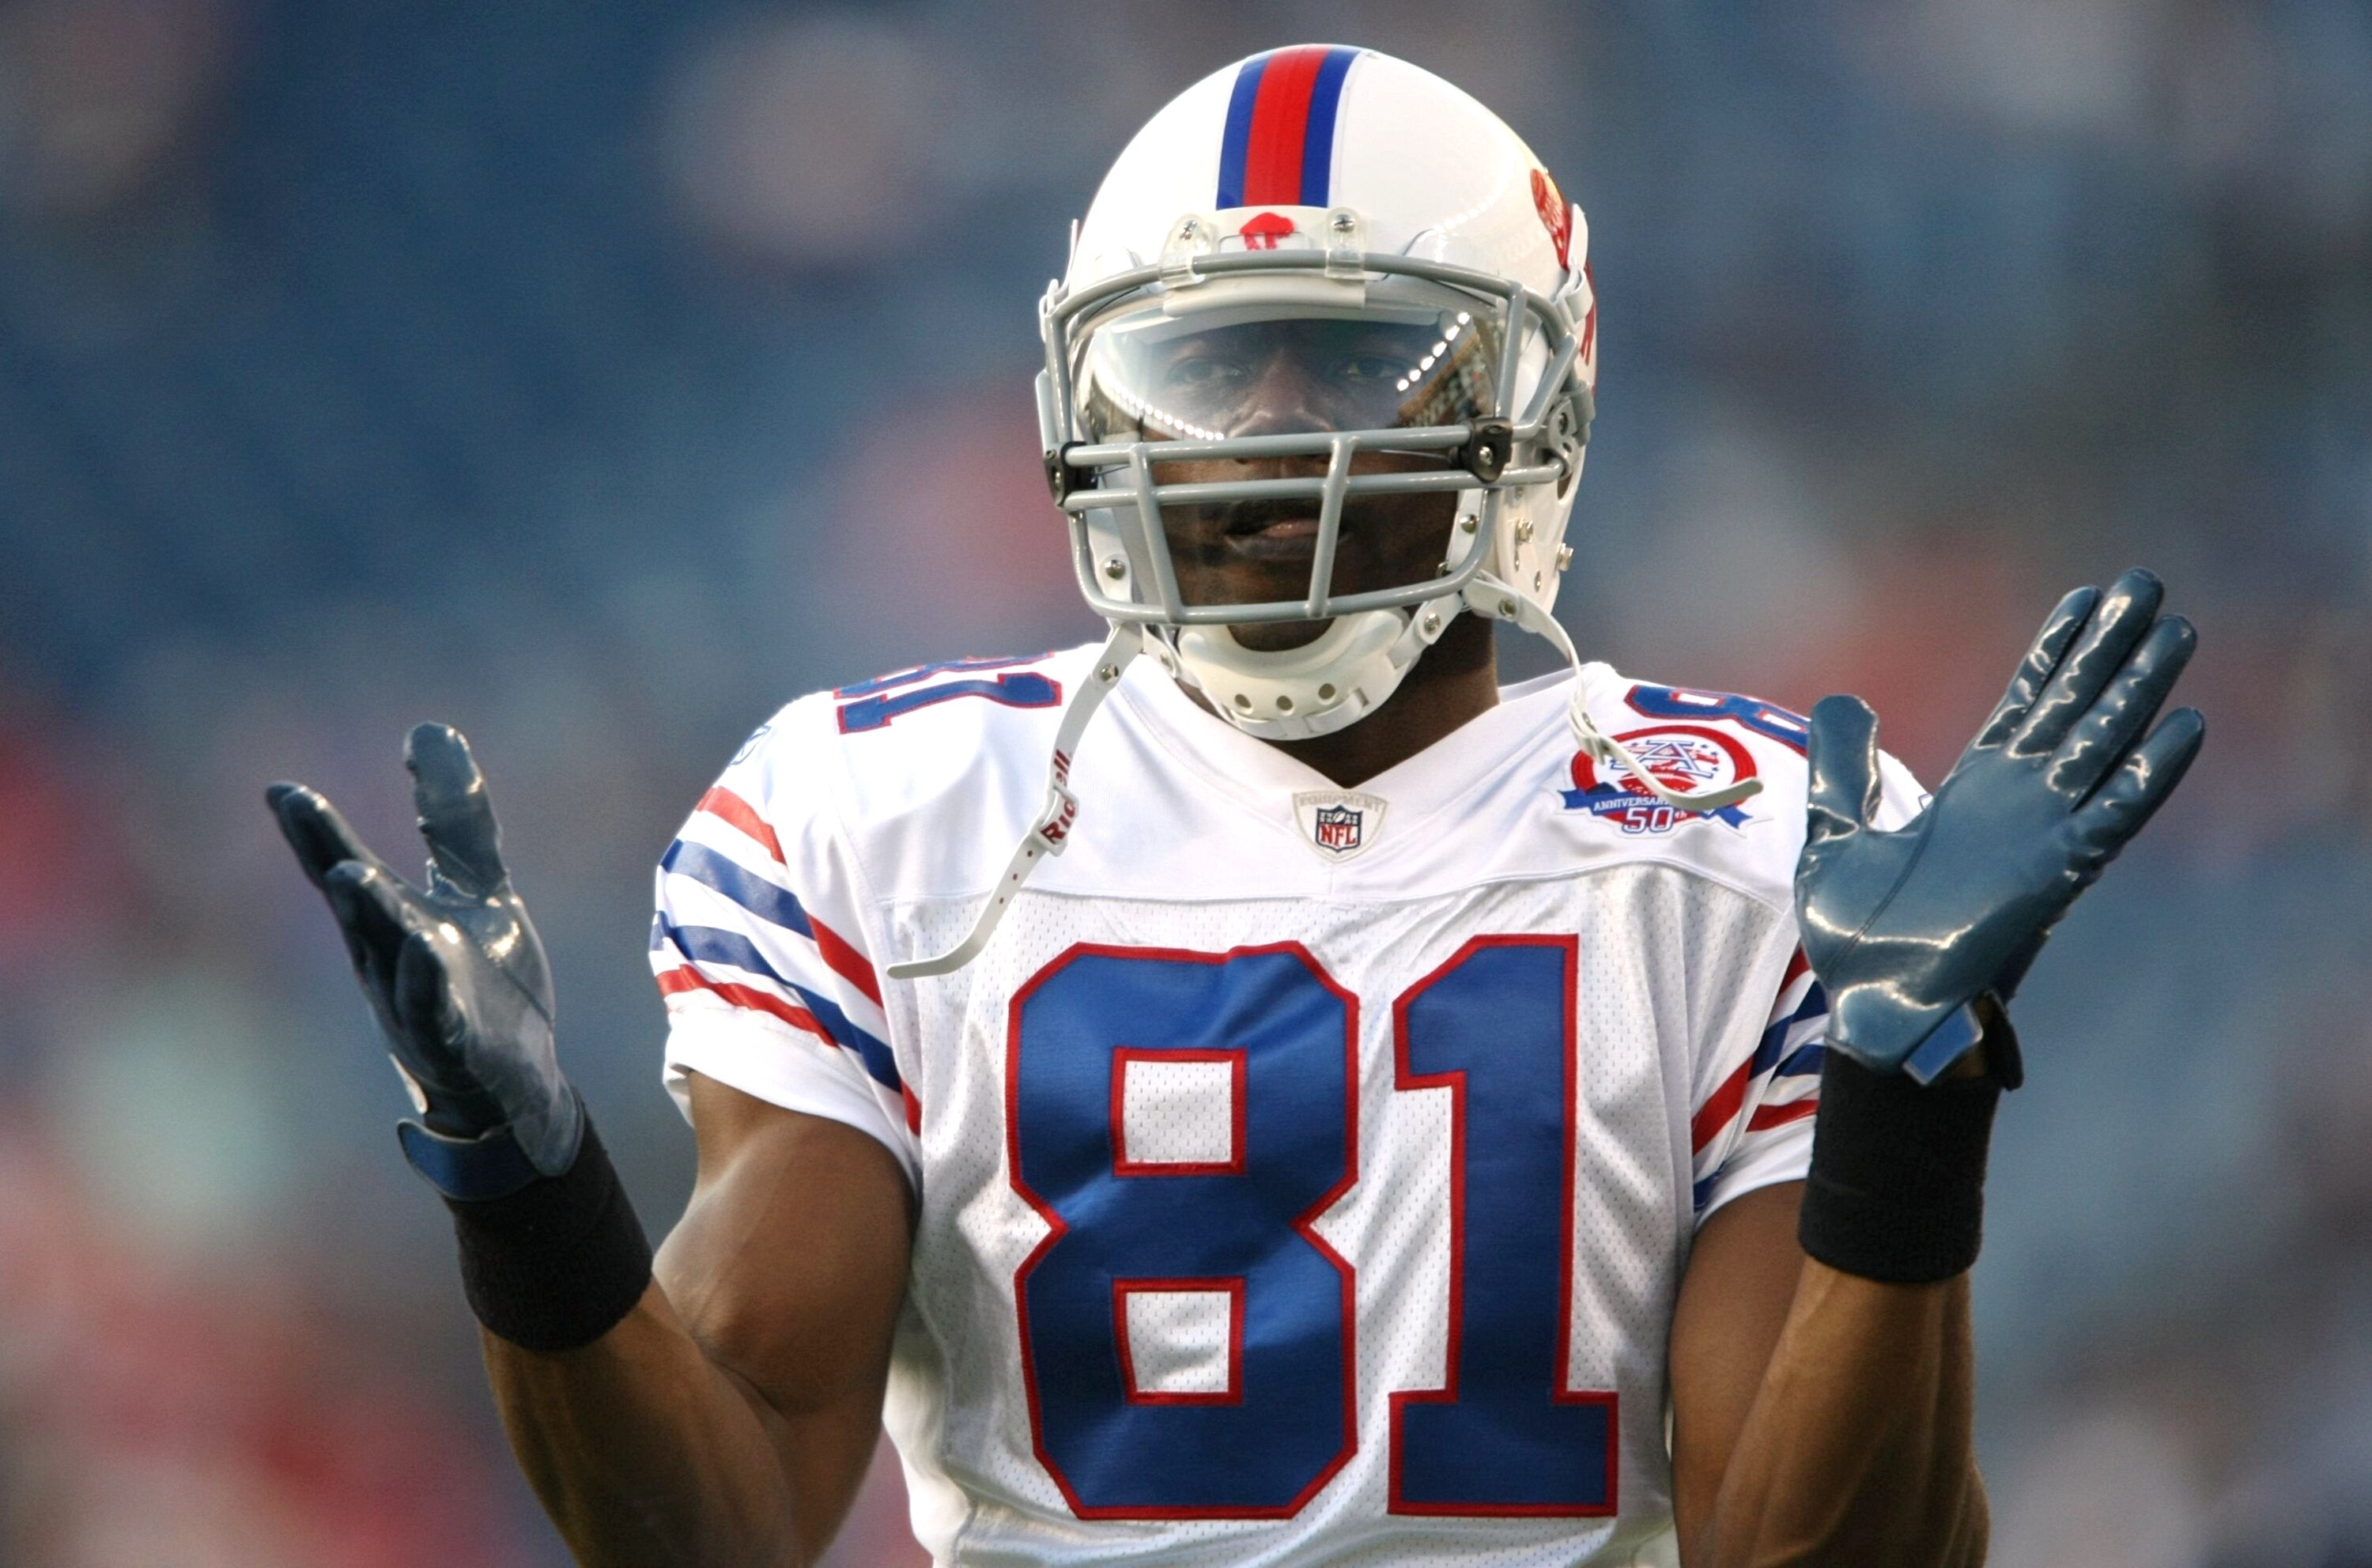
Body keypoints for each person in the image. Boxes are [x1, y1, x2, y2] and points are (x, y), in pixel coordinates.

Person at [267, 46, 2204, 1567]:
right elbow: (724, 1513)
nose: (1266, 434)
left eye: (1353, 364)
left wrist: (1905, 1102)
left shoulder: (1745, 841)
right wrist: (527, 1190)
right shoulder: (878, 817)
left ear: (1535, 412)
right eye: (1199, 375)